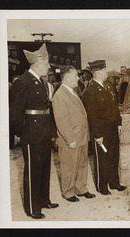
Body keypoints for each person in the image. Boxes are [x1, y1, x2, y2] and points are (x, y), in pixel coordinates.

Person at [9, 43, 58, 219]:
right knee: (33, 169)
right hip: (31, 132)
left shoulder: (42, 82)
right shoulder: (23, 82)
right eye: (46, 64)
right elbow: (15, 112)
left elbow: (46, 110)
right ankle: (32, 207)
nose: (49, 67)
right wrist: (22, 133)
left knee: (45, 167)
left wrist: (51, 131)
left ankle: (44, 200)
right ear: (37, 65)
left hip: (44, 131)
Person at [82, 60, 127, 195]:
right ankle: (102, 186)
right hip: (101, 131)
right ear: (98, 72)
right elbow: (92, 116)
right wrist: (97, 135)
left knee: (114, 156)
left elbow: (115, 107)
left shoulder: (109, 86)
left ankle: (114, 183)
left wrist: (119, 123)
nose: (106, 72)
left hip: (113, 128)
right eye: (104, 70)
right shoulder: (90, 91)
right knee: (102, 158)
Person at [52, 65, 96, 202]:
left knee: (81, 164)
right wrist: (70, 138)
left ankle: (81, 188)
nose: (78, 78)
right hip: (70, 138)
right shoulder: (60, 95)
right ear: (67, 78)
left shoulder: (72, 91)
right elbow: (61, 120)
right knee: (69, 166)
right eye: (75, 76)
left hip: (81, 136)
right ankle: (68, 192)